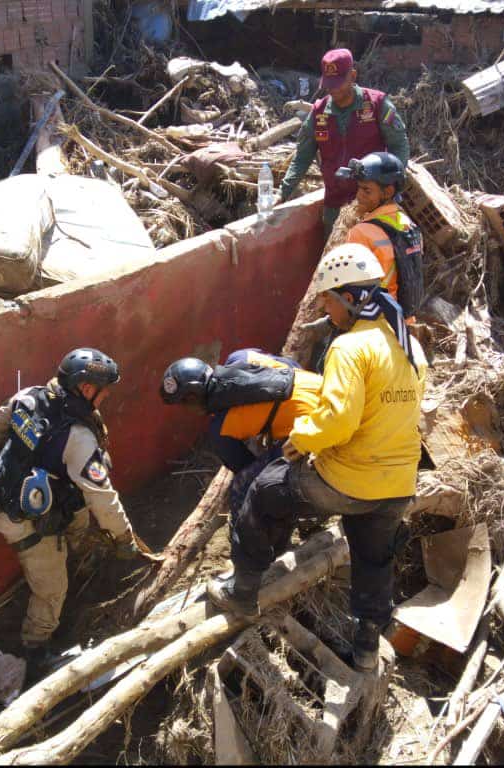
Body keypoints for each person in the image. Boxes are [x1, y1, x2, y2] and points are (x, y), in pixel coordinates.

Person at [208, 244, 427, 671]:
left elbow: (338, 422)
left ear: (348, 297)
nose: (326, 309)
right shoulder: (408, 346)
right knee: (373, 554)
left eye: (327, 299)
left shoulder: (351, 349)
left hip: (349, 480)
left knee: (261, 490)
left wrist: (300, 439)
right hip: (399, 482)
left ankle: (244, 589)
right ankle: (366, 647)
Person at [0, 348, 140, 664]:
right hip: (25, 520)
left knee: (77, 520)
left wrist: (30, 455)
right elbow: (102, 497)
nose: (104, 399)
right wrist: (125, 538)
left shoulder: (29, 397)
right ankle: (35, 648)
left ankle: (80, 561)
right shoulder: (78, 437)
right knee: (52, 590)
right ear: (86, 388)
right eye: (103, 394)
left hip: (33, 497)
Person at [159, 348, 323, 514]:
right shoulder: (242, 356)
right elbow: (291, 365)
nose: (185, 409)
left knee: (244, 485)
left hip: (316, 429)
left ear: (193, 397)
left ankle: (299, 518)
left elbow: (246, 467)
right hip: (331, 394)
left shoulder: (220, 429)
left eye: (183, 403)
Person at [278, 48, 410, 237]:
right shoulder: (319, 113)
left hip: (373, 204)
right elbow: (302, 157)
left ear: (353, 75)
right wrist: (283, 192)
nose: (334, 90)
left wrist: (393, 185)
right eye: (329, 84)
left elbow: (399, 144)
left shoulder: (377, 105)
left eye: (339, 83)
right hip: (335, 205)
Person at [342, 151, 423, 315]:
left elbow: (350, 288)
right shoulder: (410, 226)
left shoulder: (361, 233)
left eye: (367, 190)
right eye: (359, 188)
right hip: (403, 320)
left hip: (374, 322)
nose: (359, 196)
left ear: (387, 192)